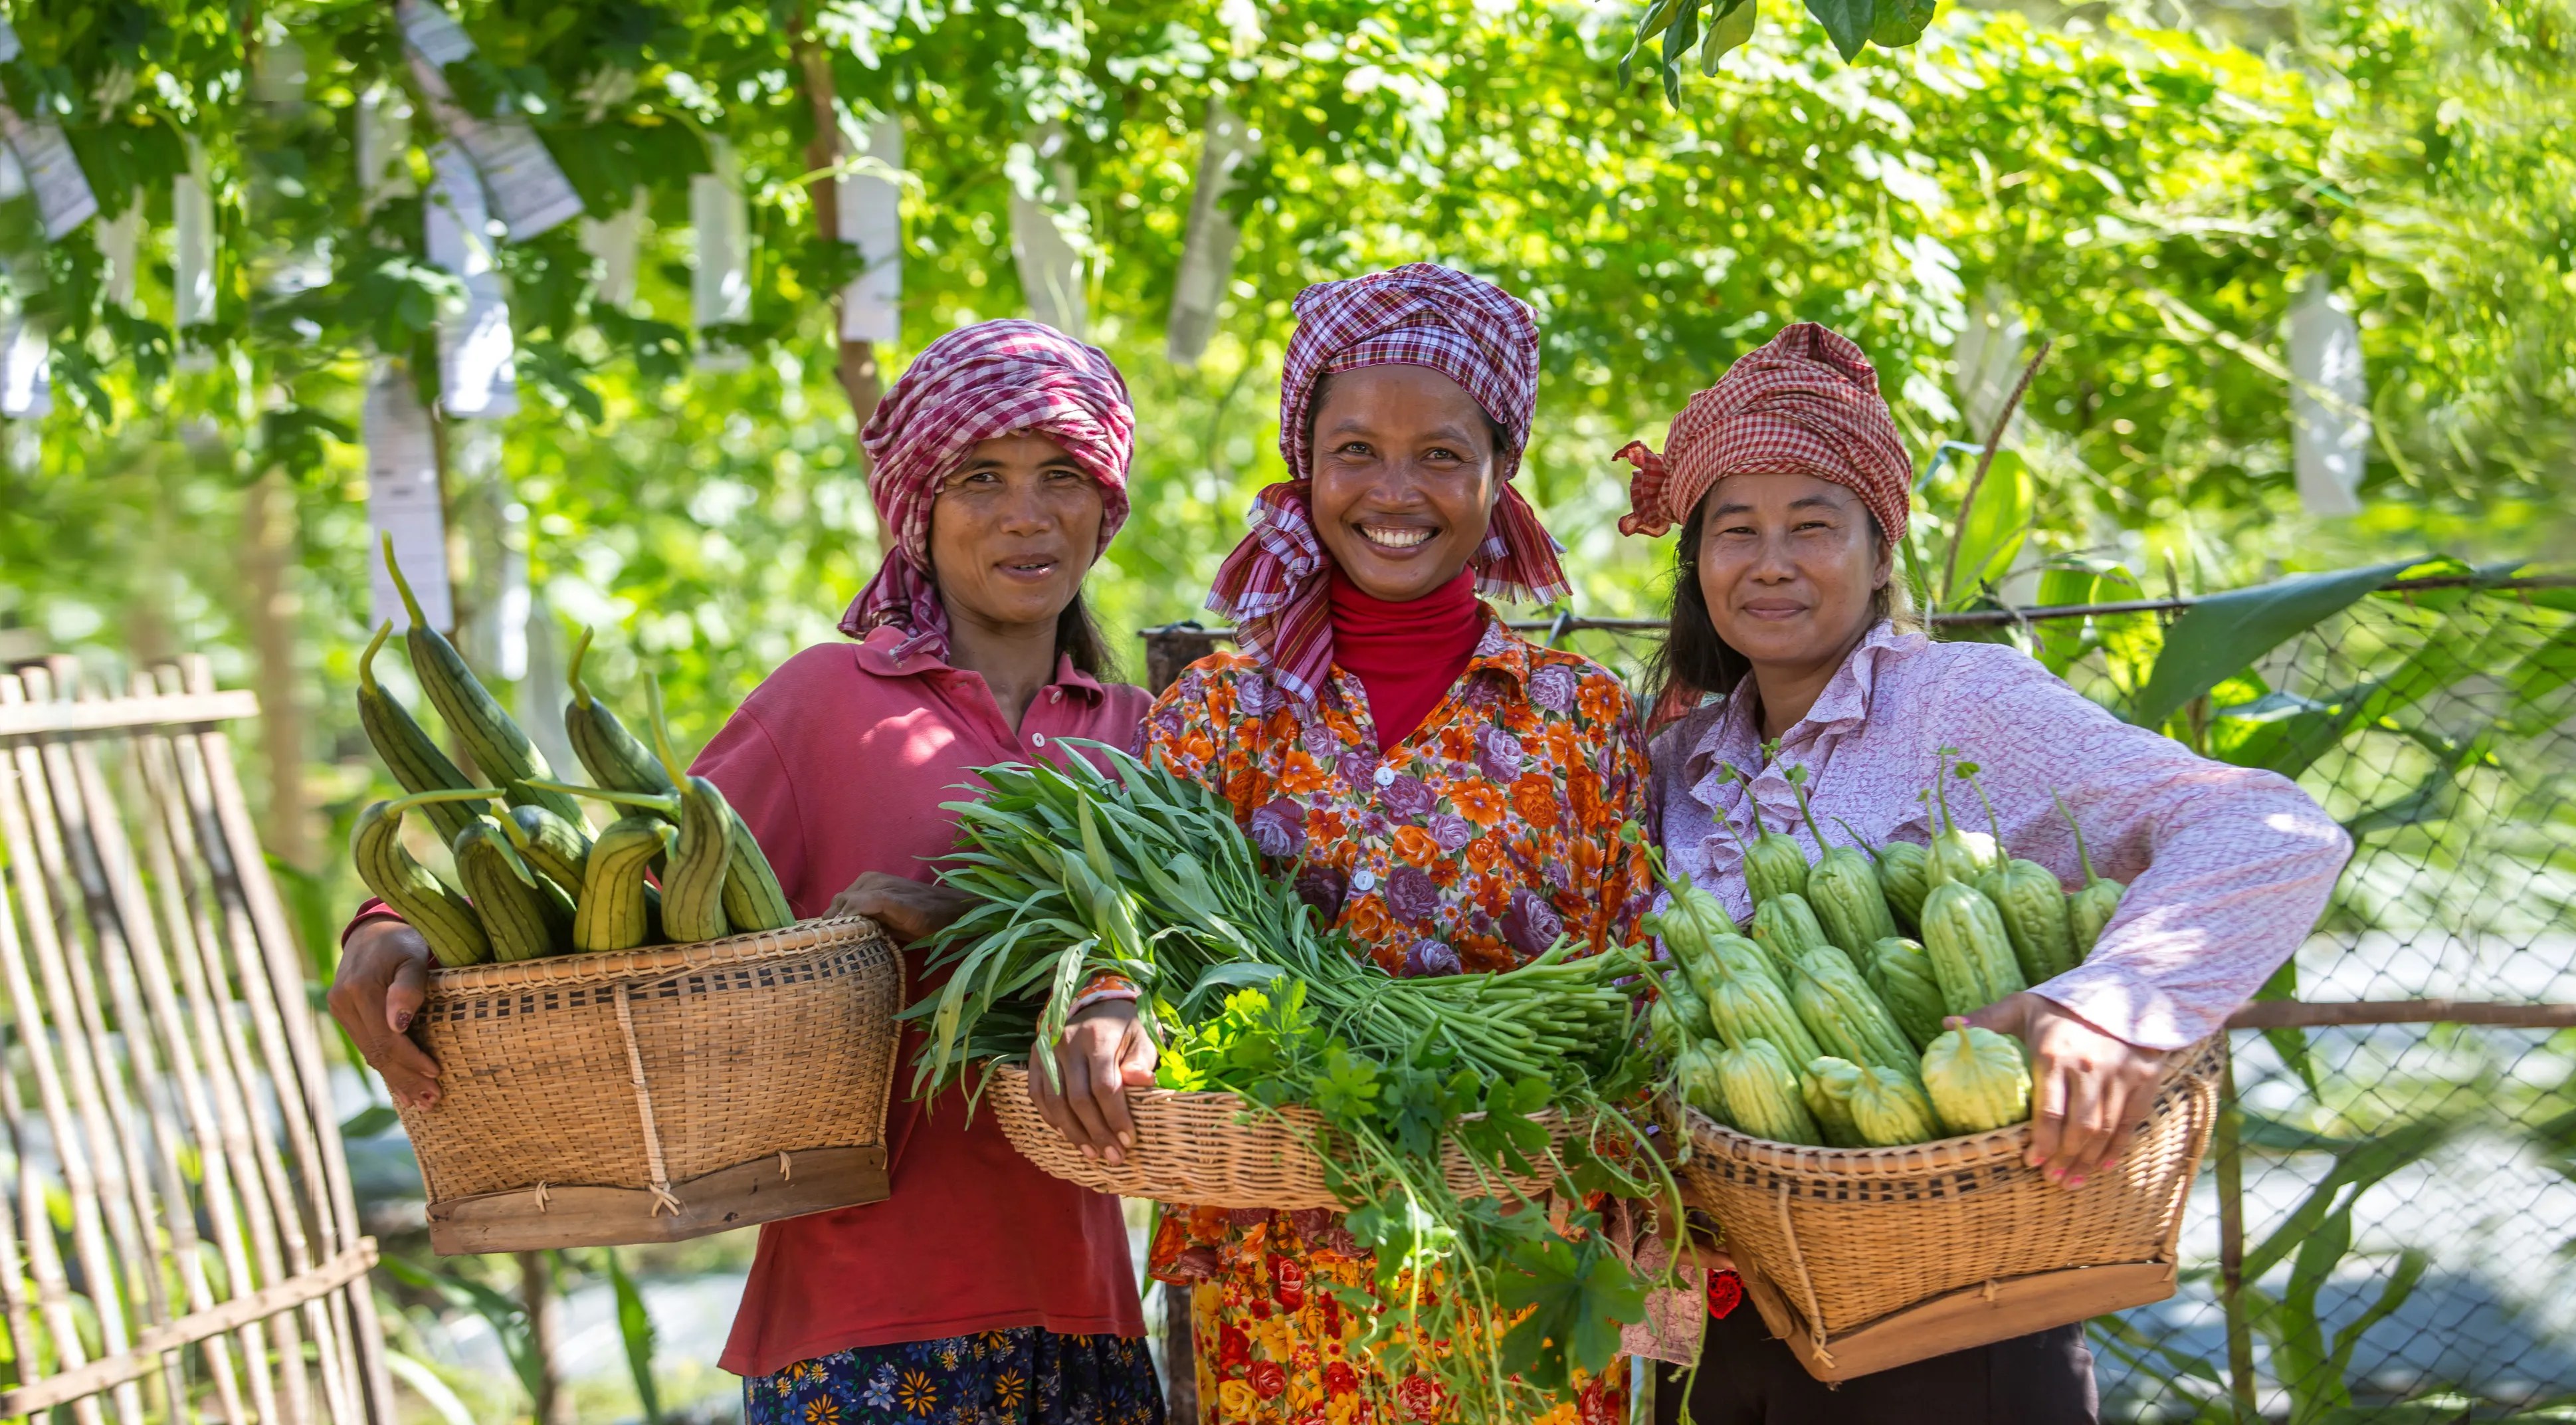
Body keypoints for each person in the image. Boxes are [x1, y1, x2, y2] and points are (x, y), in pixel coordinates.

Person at [326, 320, 1166, 1425]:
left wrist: (973, 923)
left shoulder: (1148, 737)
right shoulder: (825, 707)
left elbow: (1199, 980)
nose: (1027, 513)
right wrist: (389, 924)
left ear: (1106, 503)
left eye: (1063, 475)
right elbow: (619, 899)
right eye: (981, 478)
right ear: (919, 506)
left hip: (1092, 1322)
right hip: (861, 1325)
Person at [1617, 323, 2351, 1424]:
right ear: (1698, 567)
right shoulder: (1676, 763)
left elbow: (2272, 827)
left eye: (1812, 525)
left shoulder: (1960, 702)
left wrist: (2113, 1007)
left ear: (1881, 555)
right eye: (1736, 531)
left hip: (1956, 1322)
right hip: (1720, 1327)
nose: (1770, 562)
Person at [1031, 263, 1652, 1425]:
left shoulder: (1580, 717)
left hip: (1520, 1272)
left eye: (1442, 454)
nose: (1394, 491)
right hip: (1281, 1286)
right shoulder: (1223, 710)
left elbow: (1637, 982)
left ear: (1501, 471)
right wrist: (1109, 999)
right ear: (1305, 467)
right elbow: (1134, 931)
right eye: (1355, 450)